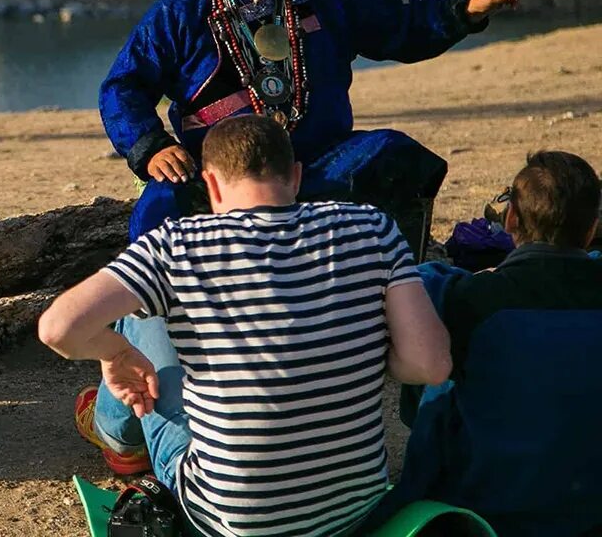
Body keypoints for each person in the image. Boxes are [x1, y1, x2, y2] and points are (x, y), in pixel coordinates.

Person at [39, 115, 450, 537]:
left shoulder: (175, 244)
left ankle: (117, 435)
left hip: (227, 521)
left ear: (211, 185)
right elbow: (429, 366)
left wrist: (116, 354)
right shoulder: (372, 228)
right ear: (295, 177)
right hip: (351, 513)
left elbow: (58, 328)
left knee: (143, 313)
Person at [100, 0, 521, 249]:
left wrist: (466, 10)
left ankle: (395, 281)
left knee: (398, 156)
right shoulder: (178, 13)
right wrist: (151, 146)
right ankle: (163, 313)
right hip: (217, 178)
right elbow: (123, 86)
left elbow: (401, 25)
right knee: (159, 207)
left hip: (319, 165)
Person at [374, 151, 602, 536]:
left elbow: (415, 283)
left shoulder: (467, 299)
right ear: (592, 227)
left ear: (511, 218)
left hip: (484, 514)